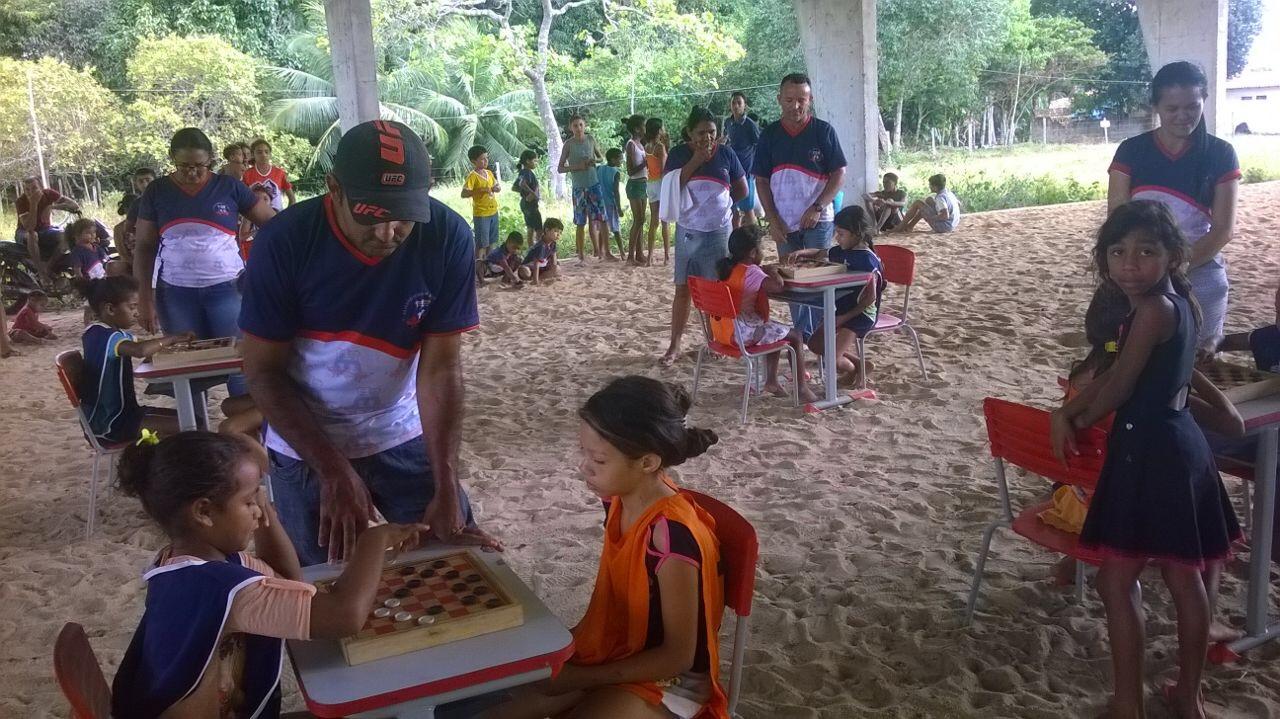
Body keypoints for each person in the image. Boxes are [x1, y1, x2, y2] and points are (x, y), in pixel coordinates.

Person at [239, 120, 498, 566]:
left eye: (404, 216)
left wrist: (446, 482)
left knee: (448, 560)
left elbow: (439, 369)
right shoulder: (285, 241)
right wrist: (333, 470)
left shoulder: (449, 237)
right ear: (333, 187)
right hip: (304, 440)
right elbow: (262, 371)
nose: (388, 233)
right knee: (327, 588)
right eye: (371, 215)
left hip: (398, 428)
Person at [1050, 200, 1241, 719]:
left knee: (1118, 581)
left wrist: (1069, 416)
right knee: (1185, 577)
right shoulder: (1172, 302)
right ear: (1104, 259)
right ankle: (1189, 698)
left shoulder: (1153, 309)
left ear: (1173, 256)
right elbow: (1122, 376)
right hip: (1176, 443)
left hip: (1149, 451)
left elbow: (1117, 387)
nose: (1130, 263)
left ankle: (1131, 703)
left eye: (1145, 251)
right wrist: (1071, 409)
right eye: (1118, 251)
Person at [110, 430, 429, 719]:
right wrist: (373, 541)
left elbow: (289, 582)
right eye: (248, 502)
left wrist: (264, 510)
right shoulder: (225, 587)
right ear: (204, 512)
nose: (258, 510)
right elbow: (344, 617)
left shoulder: (186, 563)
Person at [481, 376, 730, 719]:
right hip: (620, 657)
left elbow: (678, 656)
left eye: (598, 460)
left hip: (673, 684)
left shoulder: (671, 536)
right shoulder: (618, 501)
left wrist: (578, 678)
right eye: (583, 452)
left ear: (647, 463)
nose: (584, 466)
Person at [132, 128, 274, 398]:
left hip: (228, 289)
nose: (192, 172)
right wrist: (144, 298)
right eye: (184, 166)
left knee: (240, 365)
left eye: (199, 165)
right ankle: (196, 433)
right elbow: (144, 246)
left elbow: (273, 223)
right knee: (186, 371)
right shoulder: (157, 191)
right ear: (172, 158)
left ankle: (245, 433)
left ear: (210, 159)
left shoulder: (229, 187)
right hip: (175, 293)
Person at [1108, 62, 1239, 352]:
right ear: (1156, 106)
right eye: (1172, 109)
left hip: (1199, 266)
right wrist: (1146, 267)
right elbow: (1117, 221)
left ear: (1204, 99)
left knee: (1198, 357)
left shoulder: (1221, 154)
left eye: (1192, 107)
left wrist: (1177, 266)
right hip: (1140, 267)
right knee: (1125, 352)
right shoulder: (1132, 150)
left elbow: (1222, 230)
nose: (1183, 116)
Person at [754, 73, 847, 340]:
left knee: (819, 284)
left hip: (819, 222)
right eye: (790, 100)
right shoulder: (769, 135)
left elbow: (839, 172)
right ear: (779, 100)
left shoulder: (823, 131)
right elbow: (760, 180)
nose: (796, 106)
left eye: (802, 100)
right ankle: (803, 340)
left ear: (811, 100)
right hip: (783, 224)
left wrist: (817, 206)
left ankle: (822, 343)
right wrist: (772, 220)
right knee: (792, 285)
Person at [659, 107, 747, 367]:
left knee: (716, 289)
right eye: (700, 133)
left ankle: (717, 340)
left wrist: (724, 206)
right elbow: (671, 188)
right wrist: (696, 159)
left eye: (711, 132)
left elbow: (741, 188)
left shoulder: (727, 154)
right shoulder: (678, 154)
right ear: (689, 132)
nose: (707, 137)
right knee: (683, 288)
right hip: (688, 230)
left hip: (718, 230)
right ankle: (675, 344)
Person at [77, 276, 189, 441]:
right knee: (191, 425)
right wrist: (171, 338)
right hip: (111, 423)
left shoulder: (106, 333)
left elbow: (145, 348)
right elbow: (140, 350)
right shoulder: (103, 335)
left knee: (192, 418)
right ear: (110, 309)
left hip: (122, 414)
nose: (137, 313)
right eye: (132, 307)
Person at [715, 226, 819, 403]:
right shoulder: (752, 271)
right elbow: (777, 286)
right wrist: (772, 271)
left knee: (775, 329)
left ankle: (771, 381)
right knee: (795, 335)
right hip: (744, 334)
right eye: (762, 248)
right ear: (754, 252)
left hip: (724, 332)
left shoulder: (728, 268)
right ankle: (801, 388)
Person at [789, 206, 884, 383]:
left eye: (841, 234)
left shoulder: (867, 260)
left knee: (830, 360)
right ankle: (860, 364)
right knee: (815, 344)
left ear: (856, 233)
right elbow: (821, 253)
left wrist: (843, 318)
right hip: (840, 311)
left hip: (860, 314)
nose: (836, 238)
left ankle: (854, 369)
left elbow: (869, 299)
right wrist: (802, 252)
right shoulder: (842, 250)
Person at [558, 115, 608, 262]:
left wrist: (594, 161)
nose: (578, 128)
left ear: (584, 125)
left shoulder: (590, 139)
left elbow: (601, 158)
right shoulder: (568, 144)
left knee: (600, 219)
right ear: (570, 128)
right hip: (579, 188)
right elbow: (560, 168)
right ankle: (580, 255)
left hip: (594, 184)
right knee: (581, 222)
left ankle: (601, 252)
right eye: (575, 126)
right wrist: (577, 167)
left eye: (581, 125)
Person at [14, 175, 81, 281]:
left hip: (45, 230)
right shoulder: (21, 202)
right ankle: (41, 274)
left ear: (41, 188)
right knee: (32, 235)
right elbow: (30, 227)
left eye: (34, 188)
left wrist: (52, 206)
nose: (30, 192)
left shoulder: (49, 194)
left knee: (67, 236)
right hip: (24, 232)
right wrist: (33, 204)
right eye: (27, 189)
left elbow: (74, 205)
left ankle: (48, 267)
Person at [723, 92, 761, 230]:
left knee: (748, 208)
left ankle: (754, 243)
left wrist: (757, 168)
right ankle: (736, 240)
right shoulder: (728, 122)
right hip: (731, 171)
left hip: (746, 171)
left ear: (745, 106)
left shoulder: (750, 125)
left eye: (739, 103)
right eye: (733, 103)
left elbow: (759, 146)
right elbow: (727, 140)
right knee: (732, 208)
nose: (736, 106)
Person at [462, 144, 502, 260]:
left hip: (493, 211)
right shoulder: (472, 176)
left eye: (486, 158)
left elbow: (496, 186)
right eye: (482, 159)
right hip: (481, 213)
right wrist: (480, 190)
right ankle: (478, 269)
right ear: (474, 161)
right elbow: (464, 193)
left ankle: (488, 266)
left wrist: (497, 188)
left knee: (492, 242)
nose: (486, 161)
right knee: (481, 245)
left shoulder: (489, 173)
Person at [114, 167, 158, 270]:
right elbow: (128, 229)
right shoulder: (137, 204)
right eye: (141, 181)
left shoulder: (166, 200)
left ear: (155, 180)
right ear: (136, 184)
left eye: (148, 180)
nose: (145, 184)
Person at [644, 118, 672, 266]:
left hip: (650, 183)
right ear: (658, 130)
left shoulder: (647, 146)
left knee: (653, 222)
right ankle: (667, 257)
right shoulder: (660, 147)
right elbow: (663, 170)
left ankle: (649, 257)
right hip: (661, 183)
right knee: (664, 221)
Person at [891, 174, 959, 234]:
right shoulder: (948, 193)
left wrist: (932, 218)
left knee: (917, 203)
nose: (929, 186)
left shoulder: (940, 198)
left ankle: (900, 227)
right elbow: (957, 204)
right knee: (928, 201)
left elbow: (945, 215)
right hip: (952, 224)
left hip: (944, 227)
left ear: (935, 187)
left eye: (930, 185)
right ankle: (909, 226)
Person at [242, 138, 296, 211]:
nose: (264, 155)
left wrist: (285, 216)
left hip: (277, 219)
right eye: (259, 152)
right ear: (252, 155)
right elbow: (242, 199)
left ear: (270, 154)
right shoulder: (246, 174)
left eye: (266, 152)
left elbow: (292, 199)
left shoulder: (280, 173)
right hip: (254, 220)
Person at [624, 115, 649, 264]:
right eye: (643, 125)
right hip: (634, 185)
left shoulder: (641, 144)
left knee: (641, 220)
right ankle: (630, 256)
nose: (645, 129)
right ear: (637, 128)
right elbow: (630, 171)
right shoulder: (631, 144)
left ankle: (639, 253)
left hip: (643, 184)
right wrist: (645, 163)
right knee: (638, 220)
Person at [237, 184, 278, 261]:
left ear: (271, 202)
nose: (262, 204)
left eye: (265, 199)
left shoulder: (278, 215)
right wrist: (260, 232)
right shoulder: (248, 216)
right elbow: (242, 237)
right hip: (255, 254)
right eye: (258, 200)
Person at [599, 148, 626, 259]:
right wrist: (619, 208)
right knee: (615, 228)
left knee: (602, 228)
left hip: (600, 202)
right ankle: (622, 252)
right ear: (613, 159)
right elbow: (616, 191)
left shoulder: (599, 168)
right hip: (610, 203)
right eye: (620, 159)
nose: (621, 161)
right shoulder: (616, 172)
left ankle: (600, 252)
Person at [520, 217, 562, 285]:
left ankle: (539, 278)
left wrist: (554, 270)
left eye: (560, 232)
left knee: (557, 268)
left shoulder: (553, 244)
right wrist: (536, 282)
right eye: (556, 231)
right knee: (525, 272)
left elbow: (554, 261)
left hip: (541, 268)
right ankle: (535, 279)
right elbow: (536, 264)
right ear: (547, 230)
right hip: (530, 267)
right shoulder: (540, 246)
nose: (558, 234)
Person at [516, 149, 543, 246]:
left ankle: (533, 248)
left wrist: (525, 194)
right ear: (528, 161)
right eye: (534, 161)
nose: (536, 163)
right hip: (529, 204)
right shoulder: (527, 172)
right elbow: (522, 184)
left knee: (532, 227)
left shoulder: (523, 172)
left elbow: (515, 187)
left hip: (527, 203)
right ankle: (534, 249)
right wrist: (532, 193)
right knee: (536, 228)